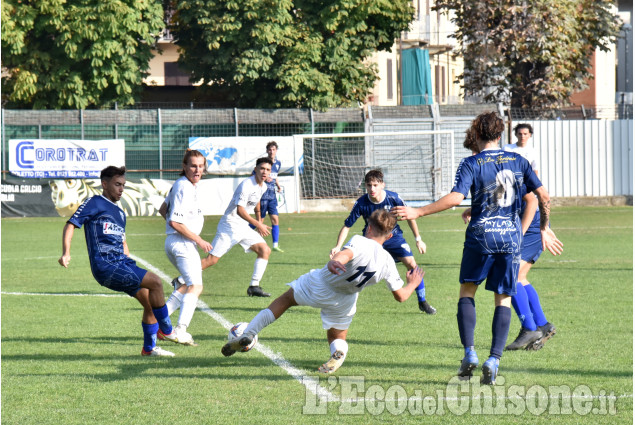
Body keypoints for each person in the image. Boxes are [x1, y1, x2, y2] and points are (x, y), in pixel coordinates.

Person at [392, 112, 563, 385]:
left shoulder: (471, 162)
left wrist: (419, 211)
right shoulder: (519, 160)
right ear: (500, 134)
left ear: (477, 133)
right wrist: (543, 227)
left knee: (467, 292)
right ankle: (494, 359)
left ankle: (470, 353)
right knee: (503, 298)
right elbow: (542, 195)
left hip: (481, 236)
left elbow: (456, 197)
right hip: (510, 238)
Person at [221, 209, 425, 374]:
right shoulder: (388, 261)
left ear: (368, 227)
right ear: (389, 236)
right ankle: (338, 353)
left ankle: (249, 334)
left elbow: (345, 255)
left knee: (283, 302)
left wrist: (334, 263)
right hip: (345, 300)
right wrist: (413, 284)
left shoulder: (360, 240)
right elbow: (401, 296)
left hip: (320, 284)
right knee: (336, 336)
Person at [58, 165, 178, 357]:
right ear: (104, 184)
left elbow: (122, 241)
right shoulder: (95, 202)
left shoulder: (120, 214)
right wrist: (66, 253)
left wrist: (130, 264)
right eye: (117, 184)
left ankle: (149, 349)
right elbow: (71, 224)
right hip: (106, 266)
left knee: (149, 301)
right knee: (156, 282)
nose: (121, 189)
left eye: (123, 185)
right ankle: (167, 330)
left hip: (122, 264)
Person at [464, 124, 558, 350]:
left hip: (531, 225)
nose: (475, 156)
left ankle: (530, 329)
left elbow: (534, 200)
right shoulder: (490, 166)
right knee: (520, 277)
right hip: (523, 225)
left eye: (474, 150)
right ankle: (542, 325)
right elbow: (501, 194)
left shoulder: (506, 162)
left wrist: (522, 233)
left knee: (513, 276)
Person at [330, 169, 436, 315]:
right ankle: (340, 300)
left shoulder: (393, 198)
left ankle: (422, 301)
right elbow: (347, 225)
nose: (372, 189)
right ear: (365, 186)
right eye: (369, 185)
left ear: (382, 185)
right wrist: (337, 246)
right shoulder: (361, 203)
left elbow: (410, 217)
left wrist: (418, 239)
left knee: (412, 265)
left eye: (375, 185)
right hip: (371, 239)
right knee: (357, 269)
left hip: (394, 237)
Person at [171, 157, 273, 297]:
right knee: (211, 260)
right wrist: (258, 224)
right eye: (262, 168)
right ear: (255, 169)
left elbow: (257, 202)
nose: (264, 172)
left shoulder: (264, 186)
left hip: (243, 226)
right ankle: (180, 279)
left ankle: (254, 286)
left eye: (268, 169)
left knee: (264, 250)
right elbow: (240, 210)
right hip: (230, 225)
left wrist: (258, 218)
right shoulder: (246, 185)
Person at [158, 149, 213, 347]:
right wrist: (198, 240)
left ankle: (159, 323)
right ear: (184, 167)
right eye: (193, 166)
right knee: (195, 286)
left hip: (175, 243)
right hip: (182, 243)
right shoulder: (184, 187)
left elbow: (163, 210)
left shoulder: (183, 185)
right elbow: (174, 221)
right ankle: (180, 330)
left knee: (185, 286)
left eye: (200, 166)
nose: (197, 170)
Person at [259, 141, 284, 252]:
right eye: (270, 149)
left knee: (275, 219)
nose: (271, 151)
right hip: (263, 195)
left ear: (276, 151)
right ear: (267, 151)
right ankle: (245, 237)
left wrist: (278, 184)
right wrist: (263, 178)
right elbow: (254, 174)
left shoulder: (278, 163)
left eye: (273, 149)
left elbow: (275, 176)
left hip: (272, 195)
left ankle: (275, 245)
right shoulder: (263, 163)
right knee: (259, 222)